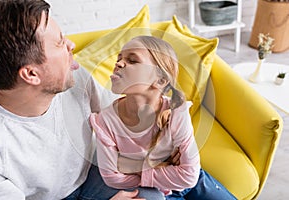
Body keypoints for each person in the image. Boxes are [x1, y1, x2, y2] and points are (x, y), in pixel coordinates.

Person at [0, 0, 166, 199]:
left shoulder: (72, 76)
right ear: (31, 74)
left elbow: (121, 116)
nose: (71, 45)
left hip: (91, 172)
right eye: (60, 43)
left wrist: (165, 123)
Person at [89, 36, 237, 200]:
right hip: (161, 192)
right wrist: (165, 168)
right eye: (119, 58)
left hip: (193, 183)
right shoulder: (104, 121)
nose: (119, 63)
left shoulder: (176, 110)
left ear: (160, 80)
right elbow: (112, 178)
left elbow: (190, 176)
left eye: (132, 61)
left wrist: (132, 167)